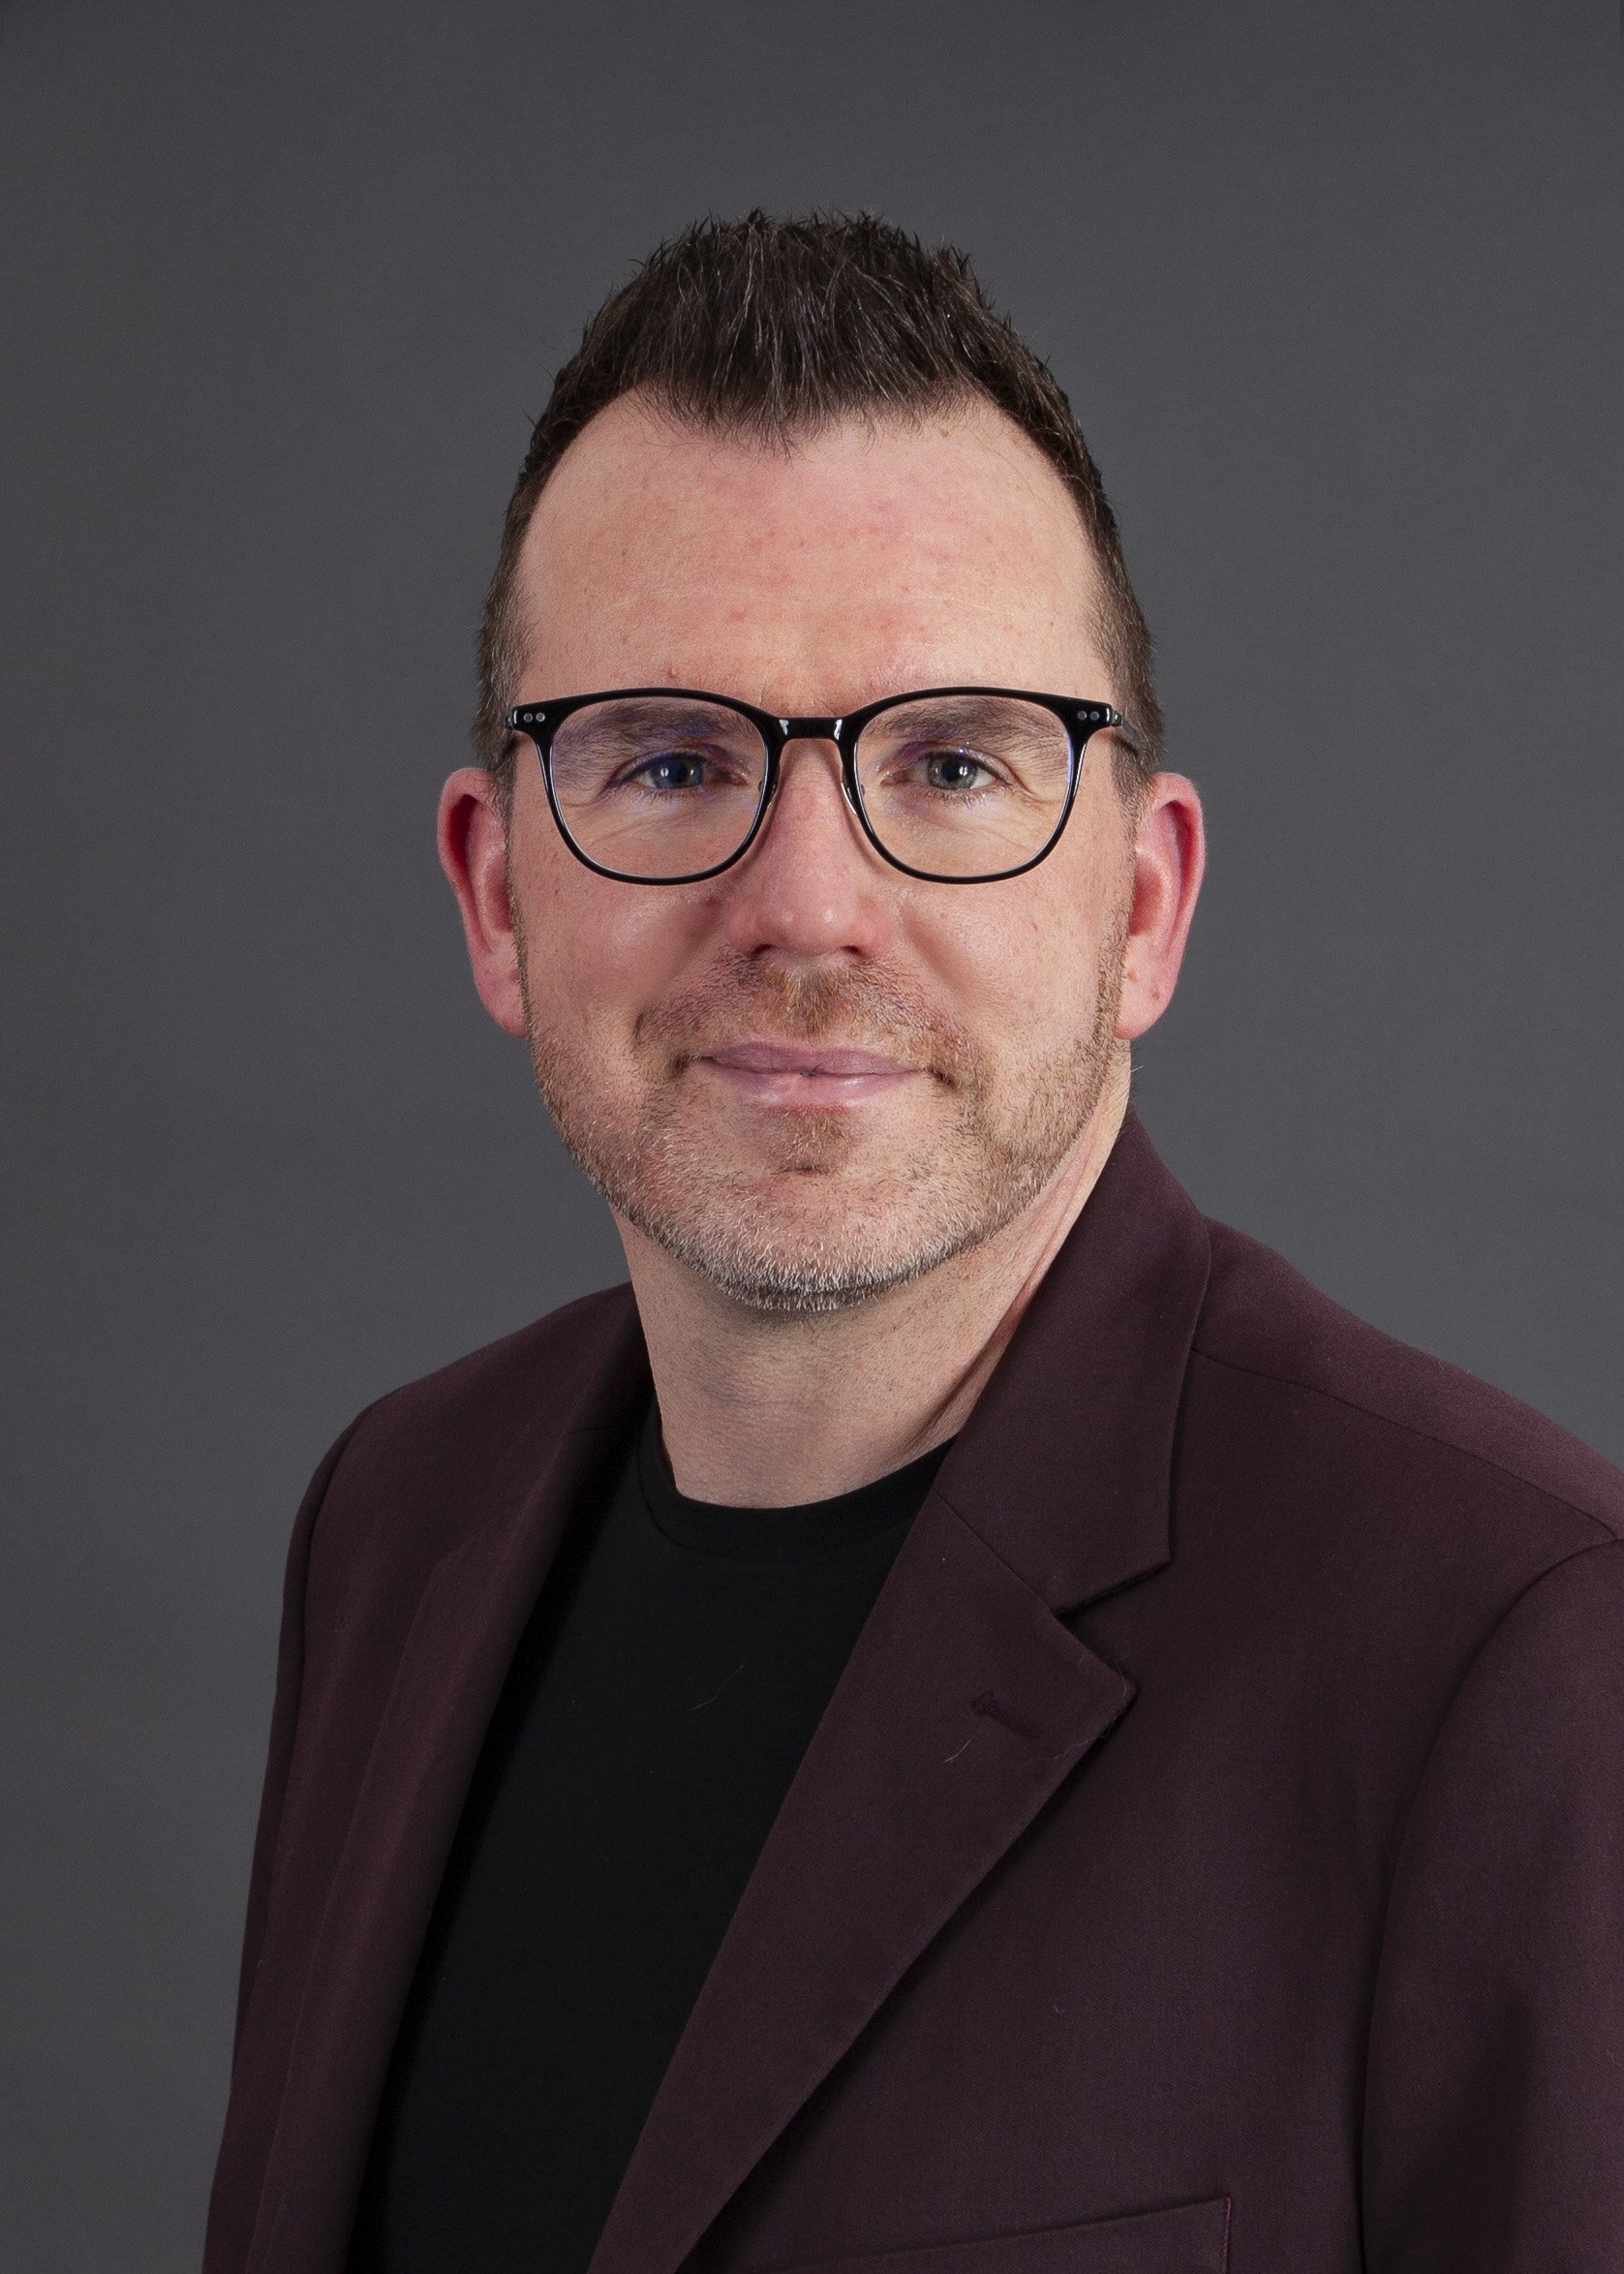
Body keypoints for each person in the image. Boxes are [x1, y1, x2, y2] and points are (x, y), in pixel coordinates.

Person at [204, 213, 1624, 2274]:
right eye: (671, 762)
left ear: (1140, 907)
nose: (806, 905)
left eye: (950, 763)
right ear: (495, 896)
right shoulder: (391, 1524)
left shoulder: (1517, 1651)